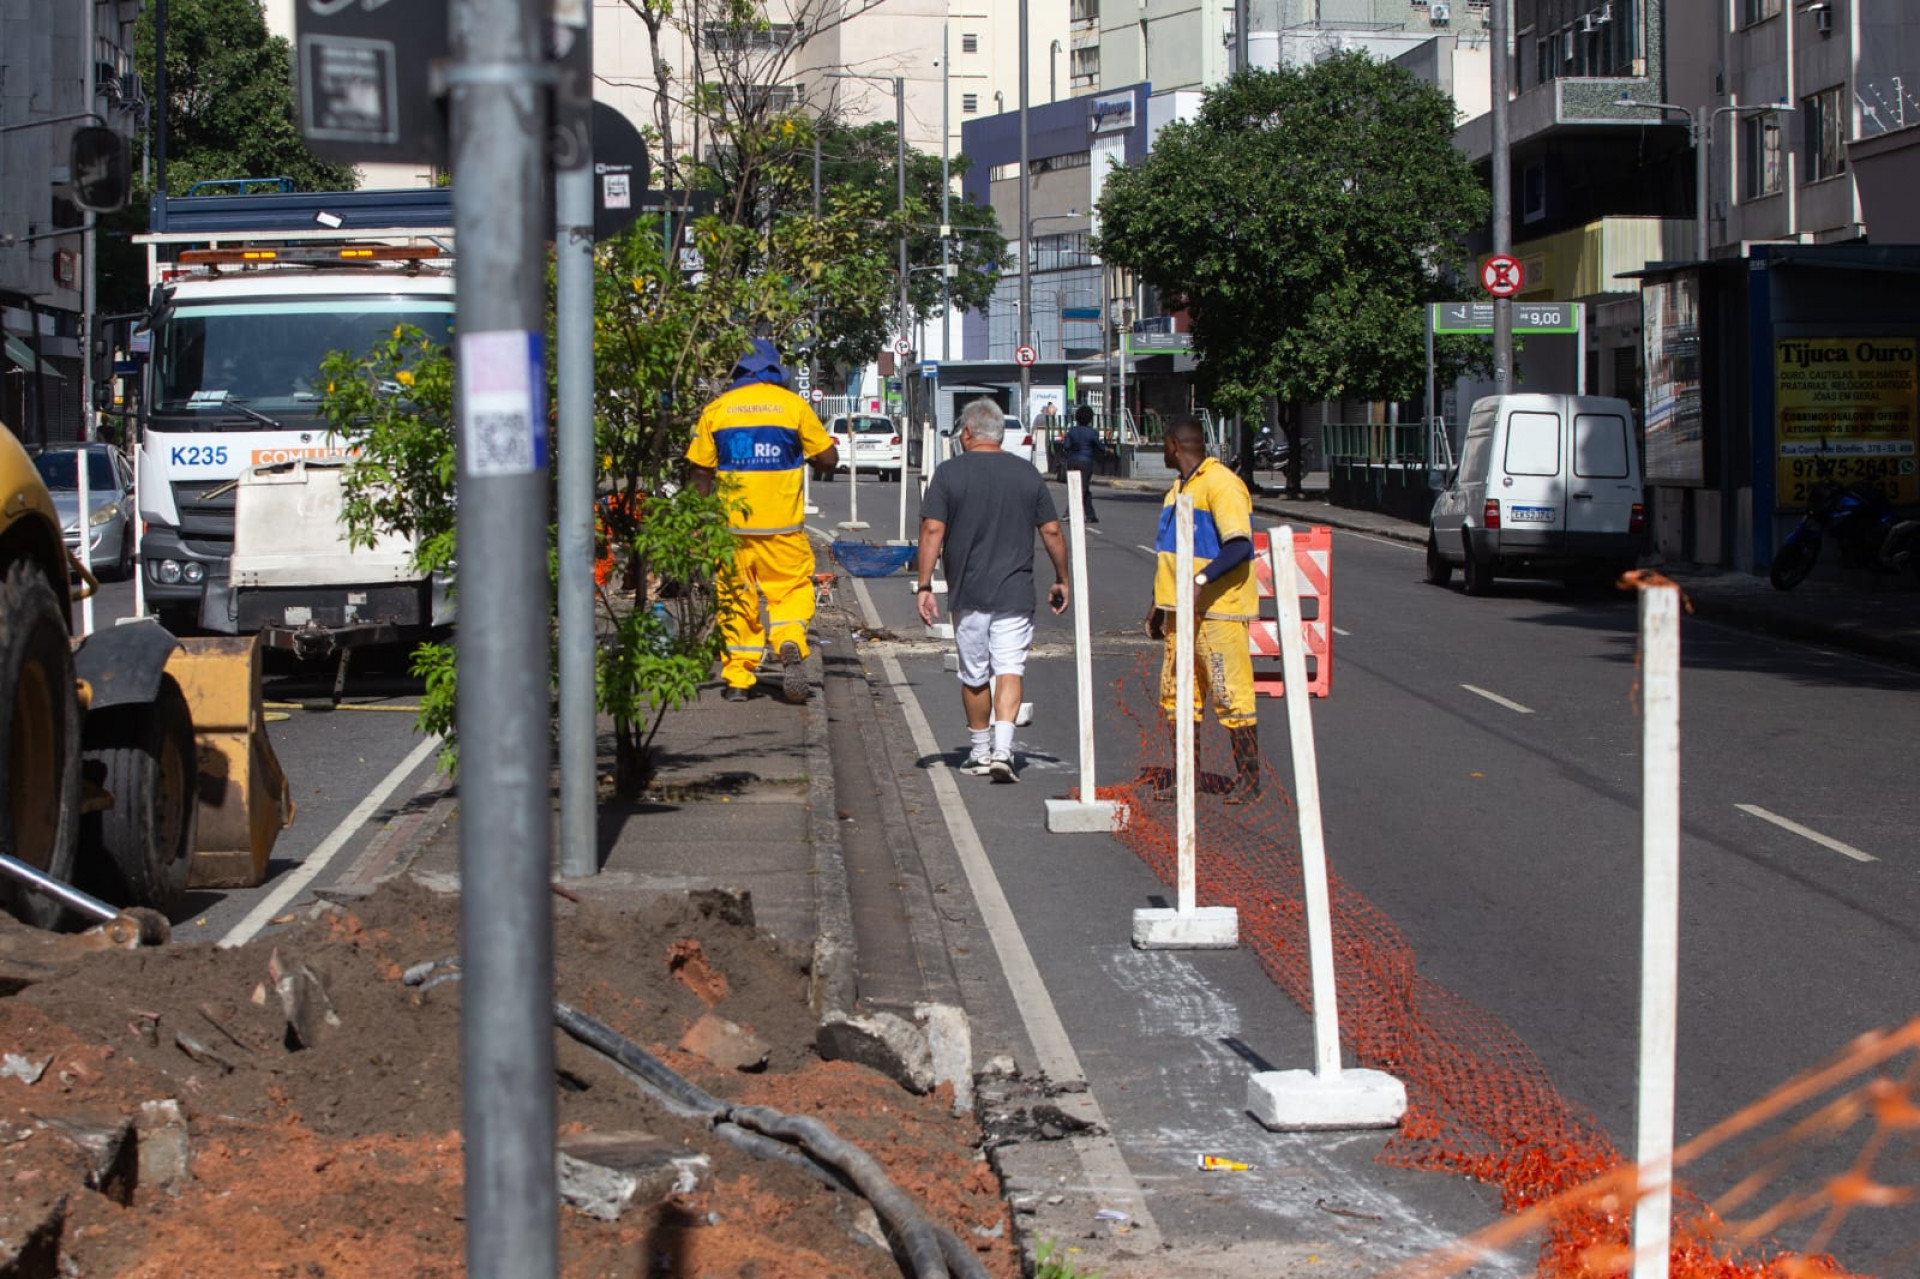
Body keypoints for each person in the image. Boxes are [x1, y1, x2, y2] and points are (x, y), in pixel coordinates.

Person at [915, 398, 1071, 783]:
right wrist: (1061, 576)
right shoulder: (1027, 474)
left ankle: (980, 751)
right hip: (1015, 593)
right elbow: (1051, 530)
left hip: (968, 593)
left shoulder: (948, 474)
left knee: (974, 674)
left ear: (967, 433)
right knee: (1009, 669)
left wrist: (923, 585)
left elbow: (933, 530)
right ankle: (1004, 750)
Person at [686, 338, 839, 704]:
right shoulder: (792, 406)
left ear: (739, 371)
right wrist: (807, 456)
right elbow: (829, 459)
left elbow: (700, 472)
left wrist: (697, 523)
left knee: (735, 598)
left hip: (731, 529)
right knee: (789, 590)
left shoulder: (718, 409)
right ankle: (788, 638)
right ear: (776, 371)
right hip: (782, 527)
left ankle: (738, 679)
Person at [1143, 416, 1262, 803]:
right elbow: (1175, 557)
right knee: (1178, 697)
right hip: (1182, 615)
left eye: (1163, 443)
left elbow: (1240, 545)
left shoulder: (1221, 483)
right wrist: (1159, 606)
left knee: (1231, 696)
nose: (1162, 450)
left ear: (1175, 444)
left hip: (1219, 613)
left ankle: (1250, 780)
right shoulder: (1179, 489)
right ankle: (1186, 777)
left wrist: (1199, 582)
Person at [1059, 404, 1106, 523]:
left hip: (1072, 461)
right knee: (1081, 489)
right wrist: (1106, 450)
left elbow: (1066, 446)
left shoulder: (1072, 431)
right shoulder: (1092, 432)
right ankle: (1069, 513)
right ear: (1090, 418)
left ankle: (1090, 514)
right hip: (1086, 462)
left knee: (1081, 489)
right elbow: (1099, 446)